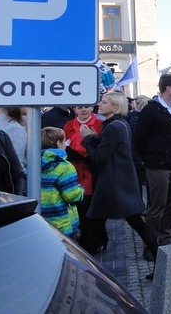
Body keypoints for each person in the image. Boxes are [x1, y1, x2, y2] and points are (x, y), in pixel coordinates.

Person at [80, 92, 159, 280]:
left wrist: (87, 139)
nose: (100, 103)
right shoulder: (118, 124)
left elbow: (99, 156)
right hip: (119, 182)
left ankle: (81, 268)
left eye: (104, 102)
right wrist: (94, 137)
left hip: (113, 185)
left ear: (115, 107)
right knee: (131, 222)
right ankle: (161, 263)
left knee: (94, 225)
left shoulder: (114, 126)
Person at [135, 74, 171, 255]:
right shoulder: (152, 110)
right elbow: (140, 139)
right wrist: (149, 159)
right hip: (158, 165)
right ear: (168, 88)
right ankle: (151, 245)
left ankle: (165, 237)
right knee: (157, 206)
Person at [64, 104, 106, 255]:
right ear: (74, 109)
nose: (83, 110)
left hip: (93, 172)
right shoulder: (69, 125)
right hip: (74, 171)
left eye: (87, 106)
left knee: (93, 209)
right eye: (79, 107)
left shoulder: (100, 124)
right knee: (81, 209)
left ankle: (93, 242)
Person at [40, 126, 84, 240]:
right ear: (59, 143)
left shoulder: (34, 162)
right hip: (63, 221)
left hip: (42, 221)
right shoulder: (64, 166)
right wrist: (81, 190)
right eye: (64, 141)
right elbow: (71, 196)